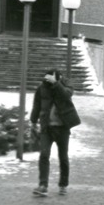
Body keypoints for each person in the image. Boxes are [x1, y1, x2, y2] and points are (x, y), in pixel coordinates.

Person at [30, 69, 81, 197]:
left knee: (63, 157)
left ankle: (63, 185)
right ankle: (43, 186)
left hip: (62, 128)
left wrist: (56, 84)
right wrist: (33, 121)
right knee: (44, 155)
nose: (48, 80)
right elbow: (37, 104)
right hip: (47, 127)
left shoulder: (66, 85)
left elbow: (66, 95)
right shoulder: (42, 88)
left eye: (51, 78)